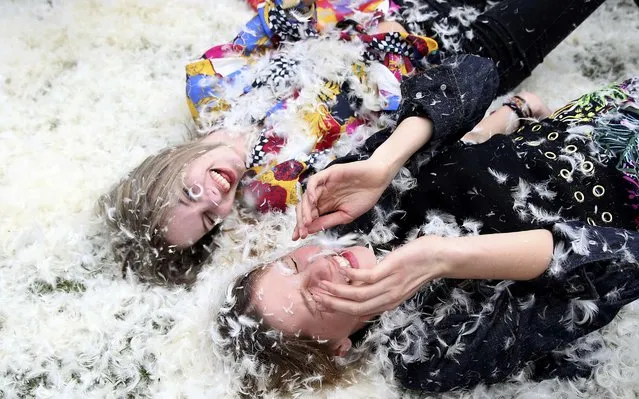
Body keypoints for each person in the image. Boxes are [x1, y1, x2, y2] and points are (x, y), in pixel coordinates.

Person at [98, 0, 606, 285]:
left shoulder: (209, 84)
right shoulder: (283, 192)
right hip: (467, 56)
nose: (214, 198)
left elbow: (287, 18)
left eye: (189, 194)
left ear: (165, 166)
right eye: (210, 218)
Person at [214, 67, 639, 396]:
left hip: (602, 116)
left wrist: (384, 162)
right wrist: (443, 258)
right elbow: (621, 262)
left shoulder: (351, 213)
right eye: (312, 296)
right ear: (337, 347)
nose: (318, 267)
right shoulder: (428, 350)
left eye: (291, 264)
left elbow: (472, 72)